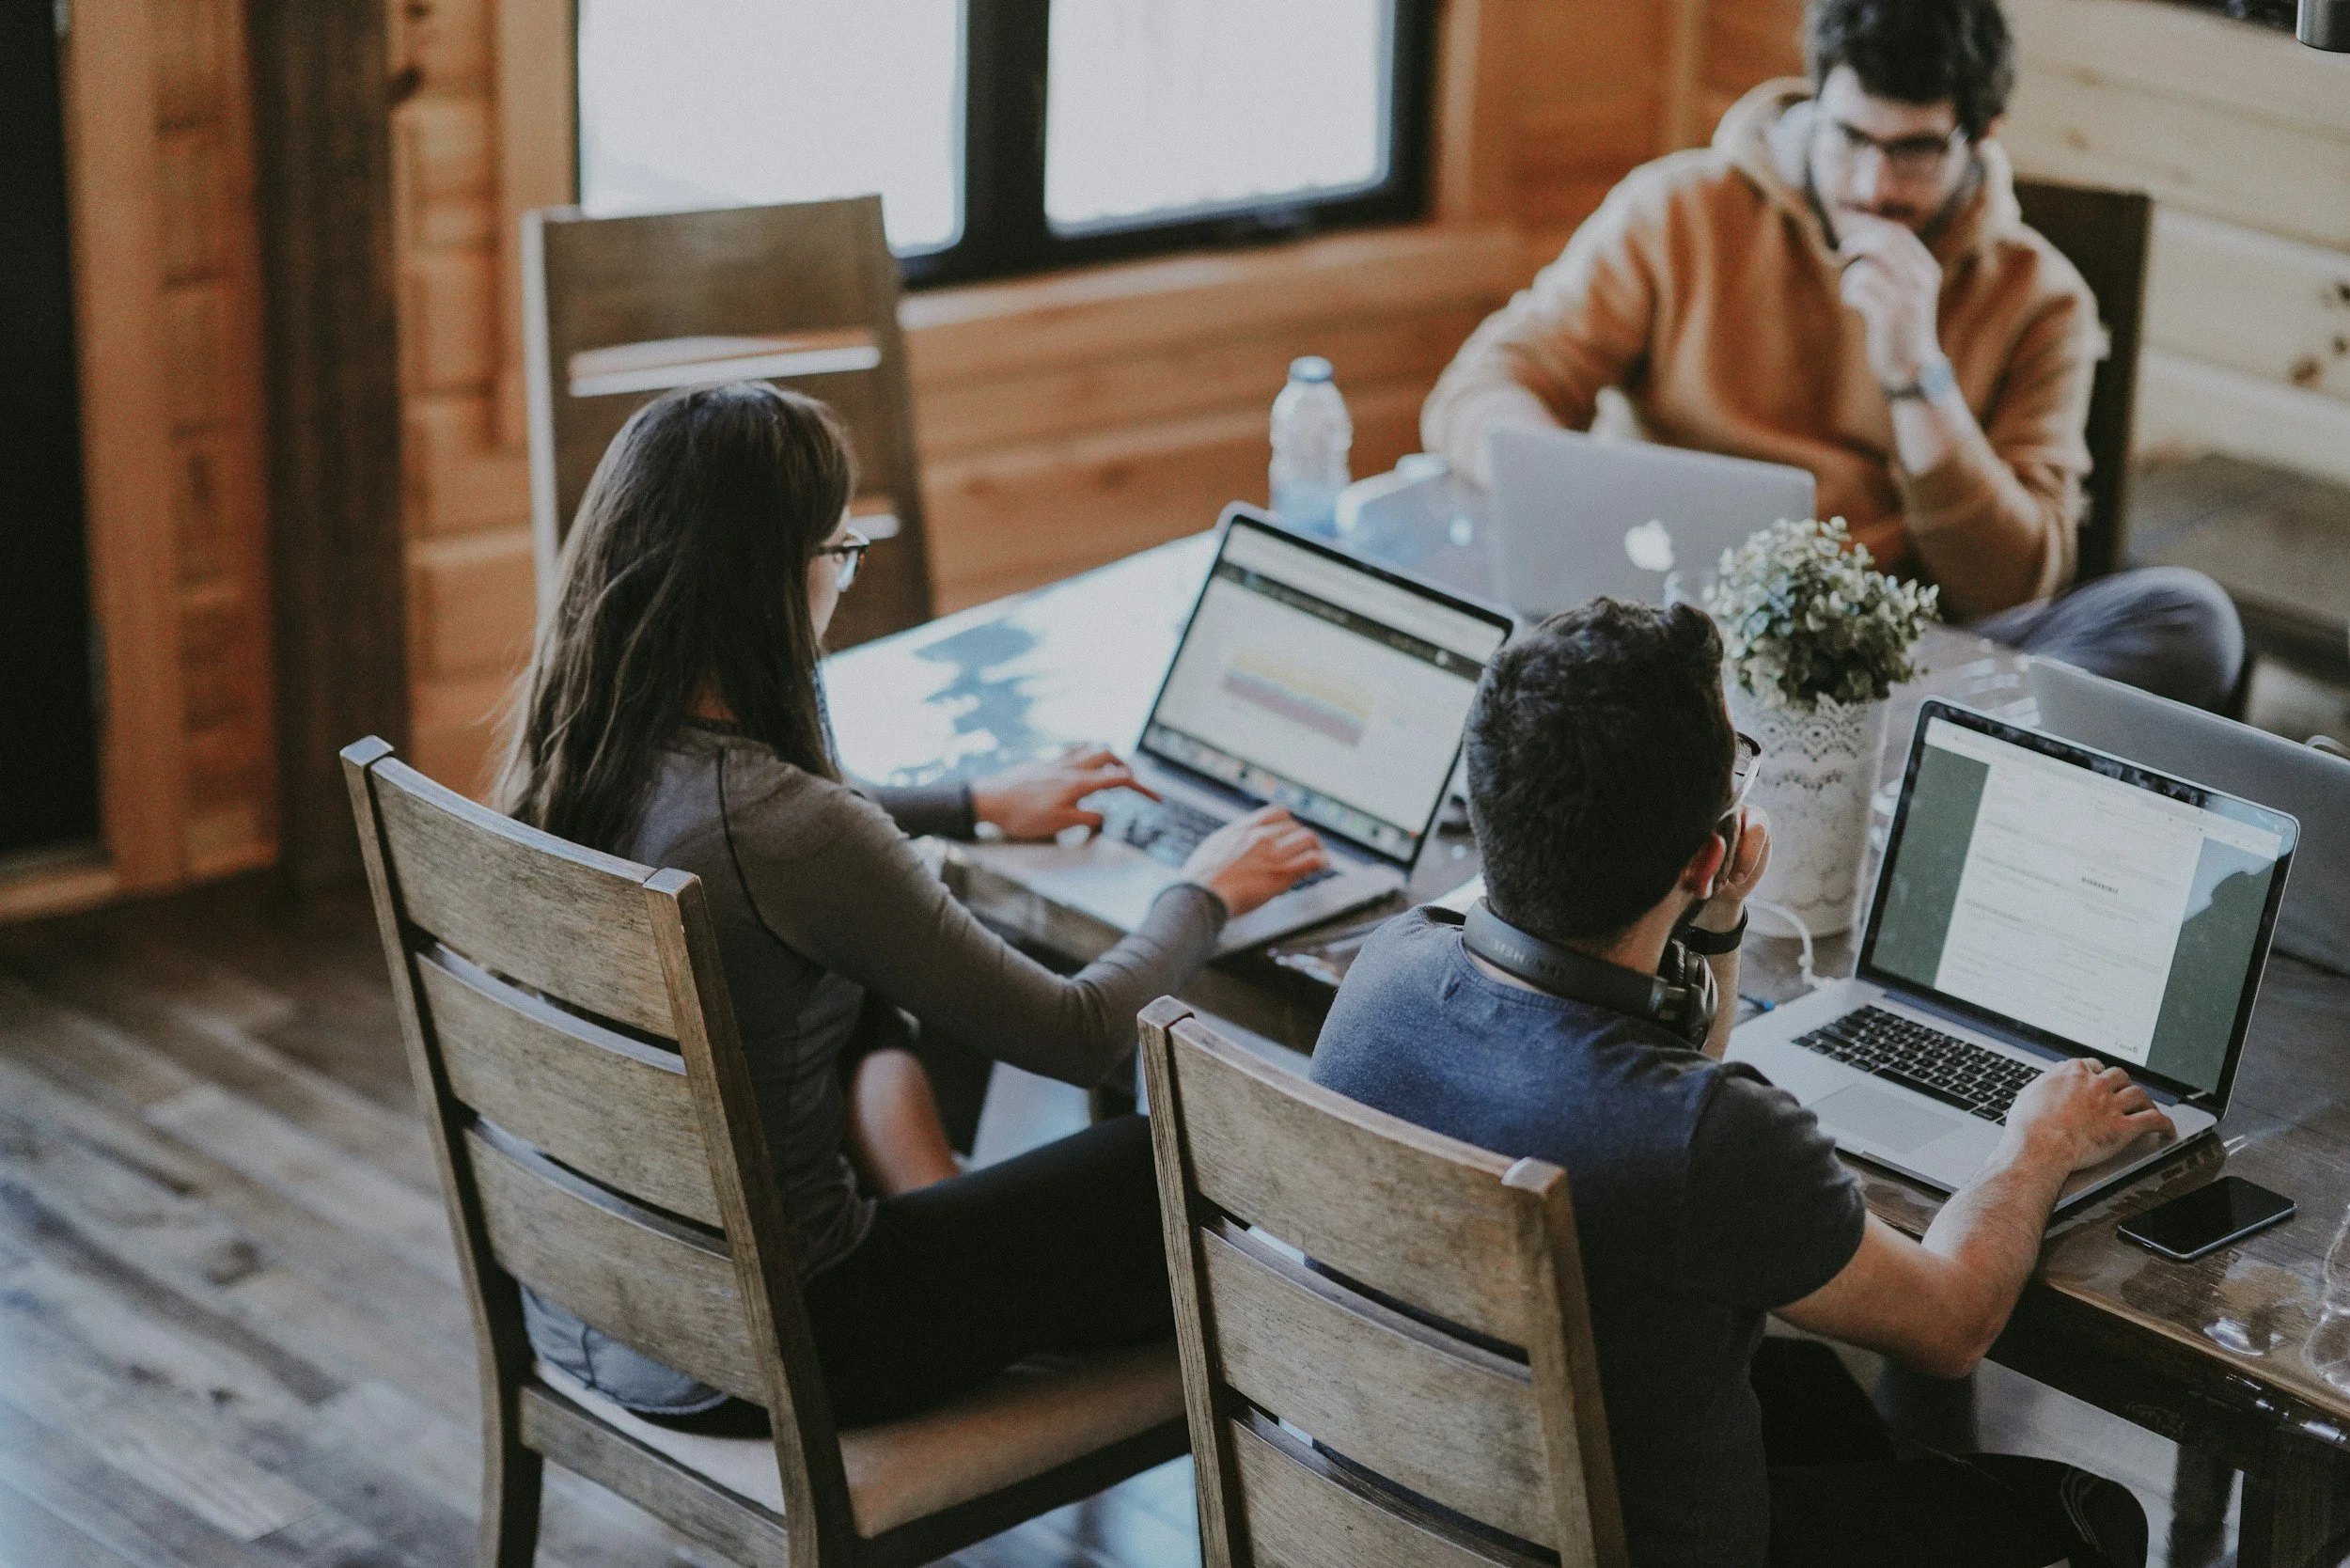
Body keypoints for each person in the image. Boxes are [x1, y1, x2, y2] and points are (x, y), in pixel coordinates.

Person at [495, 381, 1329, 1431]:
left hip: (595, 1304)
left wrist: (971, 804)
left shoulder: (579, 748)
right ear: (773, 579)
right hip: (789, 1342)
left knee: (864, 980)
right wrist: (1203, 889)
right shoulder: (787, 829)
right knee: (1155, 1159)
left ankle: (940, 1204)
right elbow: (1073, 1034)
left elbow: (783, 835)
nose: (844, 580)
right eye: (839, 554)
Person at [1309, 598, 2158, 1567]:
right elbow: (1954, 1323)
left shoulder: (1382, 973)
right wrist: (2038, 1141)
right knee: (2089, 1515)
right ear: (1706, 853)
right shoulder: (1708, 1138)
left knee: (1818, 1405)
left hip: (1410, 1511)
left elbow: (1657, 1101)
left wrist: (1710, 927)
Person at [1423, 0, 2242, 711]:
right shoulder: (1677, 210)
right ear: (1816, 97)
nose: (1873, 184)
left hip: (1897, 660)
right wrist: (1567, 493)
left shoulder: (2041, 299)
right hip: (1668, 628)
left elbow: (2014, 584)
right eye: (1849, 136)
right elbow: (1484, 388)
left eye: (1915, 150)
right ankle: (1868, 764)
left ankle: (1858, 757)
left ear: (1980, 134)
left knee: (2189, 620)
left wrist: (1918, 375)